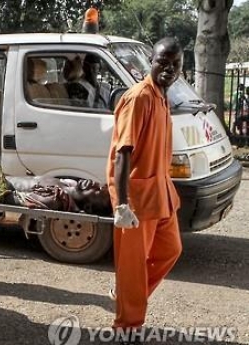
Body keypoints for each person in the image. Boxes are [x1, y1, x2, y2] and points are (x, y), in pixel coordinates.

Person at [106, 37, 183, 344]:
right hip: (136, 199)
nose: (168, 68)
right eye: (162, 62)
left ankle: (126, 293)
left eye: (175, 63)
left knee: (171, 250)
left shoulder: (162, 96)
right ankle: (127, 327)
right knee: (133, 267)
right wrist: (122, 205)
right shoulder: (139, 97)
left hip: (161, 192)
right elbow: (123, 152)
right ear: (151, 62)